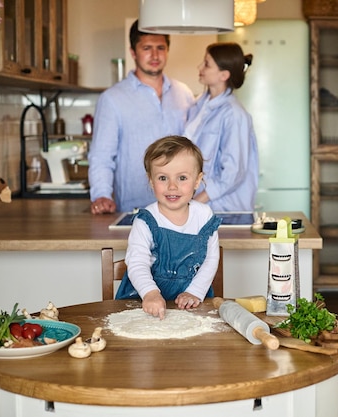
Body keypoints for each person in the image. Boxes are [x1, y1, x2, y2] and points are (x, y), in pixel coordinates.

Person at [89, 20, 194, 214]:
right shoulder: (113, 99)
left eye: (160, 48)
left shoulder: (184, 93)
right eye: (147, 48)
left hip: (182, 211)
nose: (155, 55)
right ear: (133, 52)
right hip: (135, 210)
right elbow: (102, 156)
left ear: (168, 50)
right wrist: (101, 194)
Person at [115, 136, 222, 320]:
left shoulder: (204, 216)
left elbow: (211, 259)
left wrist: (195, 292)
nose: (172, 186)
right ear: (151, 181)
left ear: (197, 181)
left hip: (191, 303)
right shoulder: (146, 221)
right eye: (163, 178)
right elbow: (137, 262)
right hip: (142, 302)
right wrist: (150, 293)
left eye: (182, 178)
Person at [184, 42, 259, 212]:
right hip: (200, 207)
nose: (200, 67)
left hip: (223, 210)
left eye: (207, 64)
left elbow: (233, 173)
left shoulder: (234, 114)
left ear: (224, 75)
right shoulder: (199, 105)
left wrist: (195, 203)